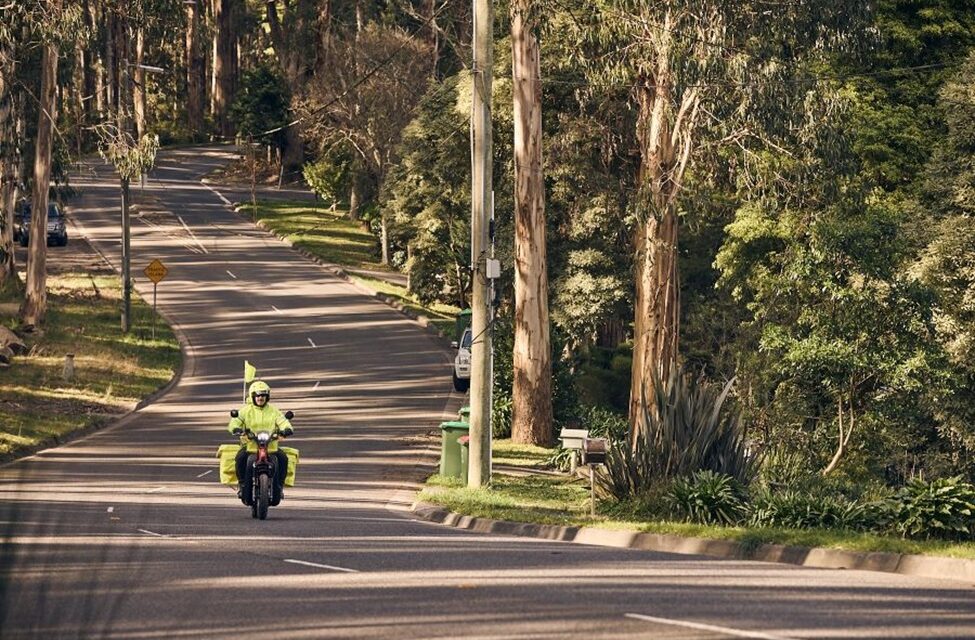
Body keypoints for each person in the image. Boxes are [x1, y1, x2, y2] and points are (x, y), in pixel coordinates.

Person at [228, 380, 293, 504]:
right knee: (240, 458)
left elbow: (283, 421)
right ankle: (242, 485)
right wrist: (236, 429)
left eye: (263, 395)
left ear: (267, 397)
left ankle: (279, 487)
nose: (260, 398)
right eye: (257, 395)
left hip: (271, 446)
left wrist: (286, 429)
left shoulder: (274, 411)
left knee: (283, 458)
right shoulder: (245, 410)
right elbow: (235, 422)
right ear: (252, 396)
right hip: (250, 446)